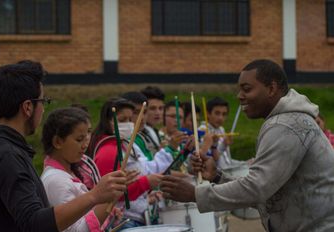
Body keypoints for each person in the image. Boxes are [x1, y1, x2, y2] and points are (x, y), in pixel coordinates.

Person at [161, 59, 334, 232]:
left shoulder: (285, 125)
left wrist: (195, 194)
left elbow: (257, 188)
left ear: (272, 89)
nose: (239, 96)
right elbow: (266, 195)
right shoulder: (284, 121)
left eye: (247, 89)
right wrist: (217, 176)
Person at [0, 61, 128, 231]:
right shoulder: (8, 155)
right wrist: (95, 195)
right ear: (28, 107)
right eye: (43, 101)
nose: (43, 109)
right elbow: (33, 223)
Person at [41, 107, 127, 231]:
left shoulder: (71, 171)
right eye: (79, 139)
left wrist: (108, 208)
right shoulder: (56, 181)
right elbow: (77, 230)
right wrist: (108, 198)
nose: (85, 144)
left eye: (88, 135)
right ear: (58, 142)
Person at [88, 97, 162, 229]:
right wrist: (146, 183)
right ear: (108, 121)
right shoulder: (108, 152)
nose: (128, 124)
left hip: (133, 217)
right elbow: (109, 194)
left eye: (130, 119)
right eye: (122, 120)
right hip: (121, 221)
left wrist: (146, 196)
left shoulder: (123, 145)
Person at [140, 86, 165, 153]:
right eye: (152, 108)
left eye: (161, 108)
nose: (158, 113)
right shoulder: (139, 134)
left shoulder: (158, 133)